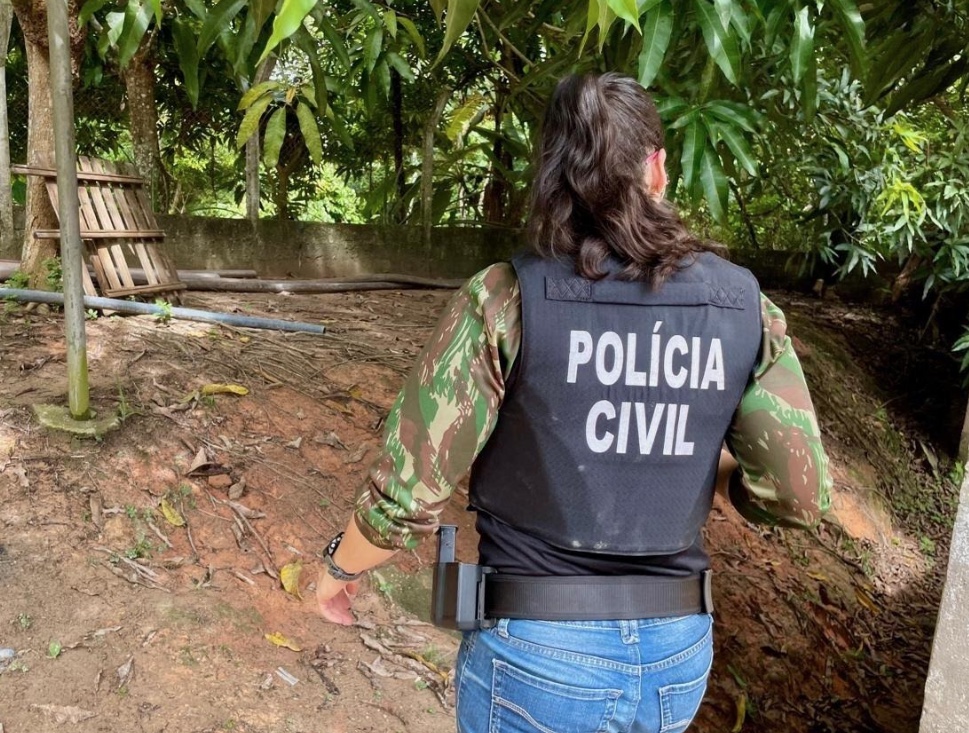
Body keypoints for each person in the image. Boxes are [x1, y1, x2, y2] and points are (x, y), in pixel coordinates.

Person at [314, 72, 831, 733]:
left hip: (540, 649)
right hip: (675, 649)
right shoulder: (741, 306)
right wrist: (718, 474)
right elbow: (797, 491)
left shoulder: (506, 297)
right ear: (657, 168)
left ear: (550, 176)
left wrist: (340, 568)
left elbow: (411, 484)